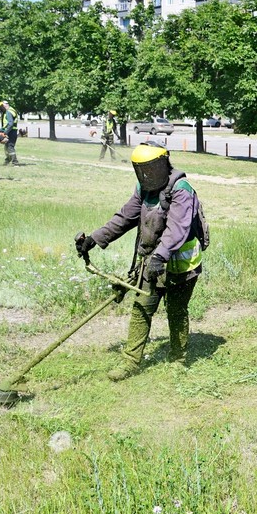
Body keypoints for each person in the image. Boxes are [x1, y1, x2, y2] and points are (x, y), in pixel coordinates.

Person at [75, 142, 210, 381]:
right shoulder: (144, 189)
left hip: (182, 265)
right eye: (142, 170)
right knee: (141, 307)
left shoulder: (181, 189)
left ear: (163, 164)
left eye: (150, 169)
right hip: (152, 261)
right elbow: (125, 217)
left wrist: (161, 254)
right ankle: (130, 362)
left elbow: (178, 228)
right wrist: (95, 238)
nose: (147, 175)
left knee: (177, 311)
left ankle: (178, 359)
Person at [0, 100, 21, 165]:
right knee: (7, 147)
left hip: (10, 131)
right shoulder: (11, 110)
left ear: (5, 105)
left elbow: (10, 124)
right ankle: (7, 160)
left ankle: (15, 162)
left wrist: (5, 133)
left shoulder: (8, 112)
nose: (1, 109)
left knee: (10, 146)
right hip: (11, 130)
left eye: (2, 107)